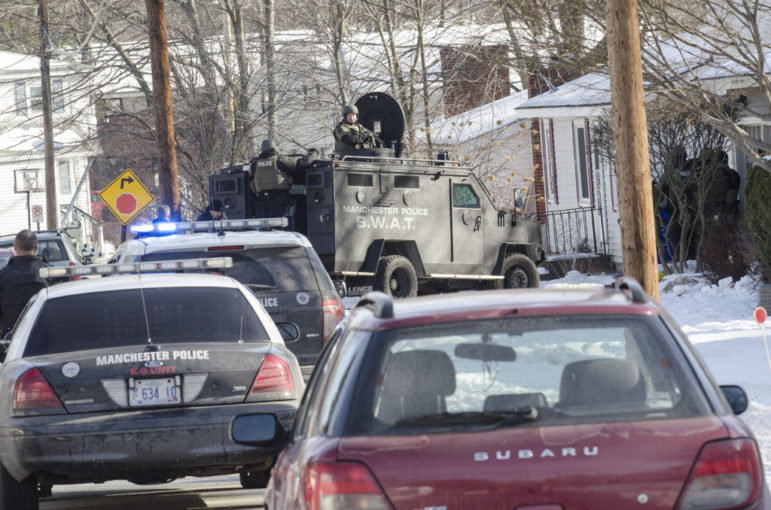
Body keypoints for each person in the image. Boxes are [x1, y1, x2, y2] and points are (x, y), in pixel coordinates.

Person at [250, 139, 318, 221]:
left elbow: (251, 177)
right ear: (274, 149)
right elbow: (305, 162)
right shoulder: (280, 160)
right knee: (280, 224)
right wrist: (313, 153)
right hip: (280, 199)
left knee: (265, 227)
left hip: (261, 201)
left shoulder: (254, 164)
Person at [0, 230, 49, 334]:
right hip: (44, 333)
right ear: (36, 247)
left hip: (11, 336)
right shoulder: (49, 273)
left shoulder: (3, 275)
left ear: (15, 246)